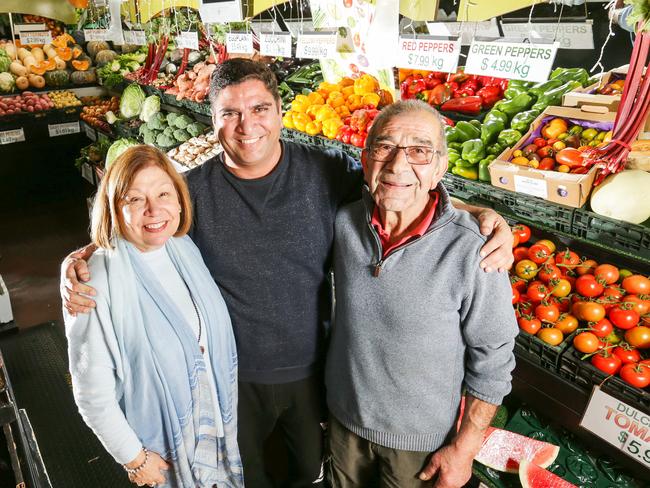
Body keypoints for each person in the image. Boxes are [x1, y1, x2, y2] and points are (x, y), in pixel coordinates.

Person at [61, 59, 514, 488]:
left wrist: (479, 213)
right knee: (246, 477)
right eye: (230, 113)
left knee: (306, 477)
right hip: (231, 377)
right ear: (212, 118)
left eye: (260, 109)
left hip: (316, 377)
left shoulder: (326, 172)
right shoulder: (190, 192)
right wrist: (87, 255)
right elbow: (143, 232)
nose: (247, 125)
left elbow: (398, 184)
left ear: (280, 112)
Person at [325, 100, 518, 488]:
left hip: (419, 447)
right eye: (384, 147)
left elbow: (494, 361)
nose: (398, 165)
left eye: (419, 151)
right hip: (344, 425)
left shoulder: (474, 248)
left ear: (439, 169)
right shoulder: (344, 223)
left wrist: (463, 450)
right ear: (365, 159)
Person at [64, 145, 242, 488]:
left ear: (179, 199)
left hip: (213, 438)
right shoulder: (97, 279)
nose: (153, 209)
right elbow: (92, 393)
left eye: (163, 193)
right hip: (160, 458)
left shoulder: (182, 248)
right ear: (114, 208)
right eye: (134, 199)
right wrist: (135, 459)